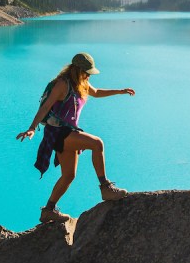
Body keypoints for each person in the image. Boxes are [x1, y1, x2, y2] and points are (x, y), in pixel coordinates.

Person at [16, 52, 135, 223]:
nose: (88, 75)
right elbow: (46, 107)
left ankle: (48, 211)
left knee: (69, 176)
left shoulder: (82, 82)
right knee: (97, 143)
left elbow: (97, 92)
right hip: (58, 133)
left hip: (68, 132)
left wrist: (120, 91)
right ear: (77, 69)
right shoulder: (62, 84)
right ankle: (105, 188)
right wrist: (32, 128)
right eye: (86, 72)